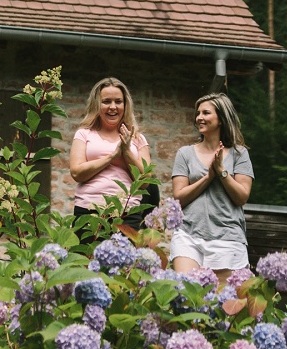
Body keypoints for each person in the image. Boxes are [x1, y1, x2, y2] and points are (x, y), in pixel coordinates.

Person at [168, 92, 254, 286]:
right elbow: (179, 198)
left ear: (221, 119)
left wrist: (221, 171)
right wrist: (208, 177)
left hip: (227, 237)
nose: (199, 117)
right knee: (186, 295)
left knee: (222, 304)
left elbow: (242, 197)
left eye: (206, 113)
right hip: (188, 234)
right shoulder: (185, 154)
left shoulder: (240, 154)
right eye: (198, 113)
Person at [69, 76, 151, 236]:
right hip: (89, 210)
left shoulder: (137, 138)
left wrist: (126, 152)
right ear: (96, 104)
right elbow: (76, 173)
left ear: (125, 105)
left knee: (124, 261)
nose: (113, 107)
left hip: (127, 213)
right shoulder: (84, 134)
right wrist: (112, 157)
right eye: (106, 101)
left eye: (118, 101)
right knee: (85, 260)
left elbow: (145, 182)